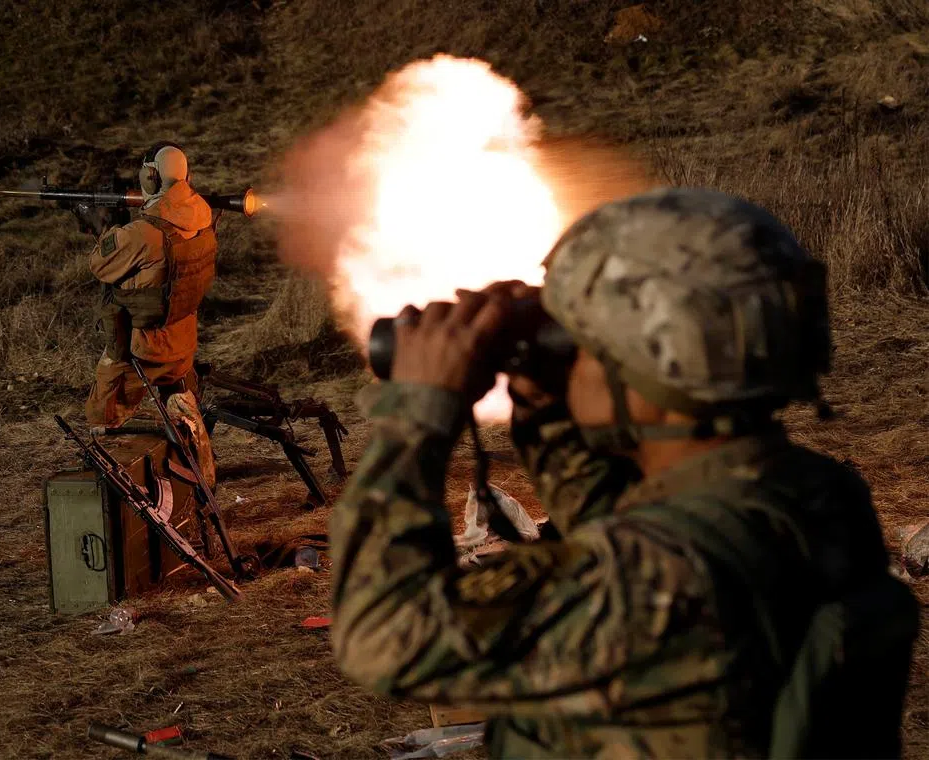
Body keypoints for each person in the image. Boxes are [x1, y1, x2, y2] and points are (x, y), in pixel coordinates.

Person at [330, 188, 918, 758]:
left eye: (581, 345)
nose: (573, 361)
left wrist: (419, 413)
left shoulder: (652, 574)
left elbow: (382, 631)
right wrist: (546, 401)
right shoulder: (817, 499)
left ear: (652, 363)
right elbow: (621, 519)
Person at [73, 142, 217, 485]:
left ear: (150, 177)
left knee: (101, 413)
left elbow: (100, 265)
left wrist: (103, 228)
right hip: (182, 341)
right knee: (182, 406)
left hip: (145, 347)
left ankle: (119, 494)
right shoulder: (202, 216)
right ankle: (204, 477)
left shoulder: (144, 234)